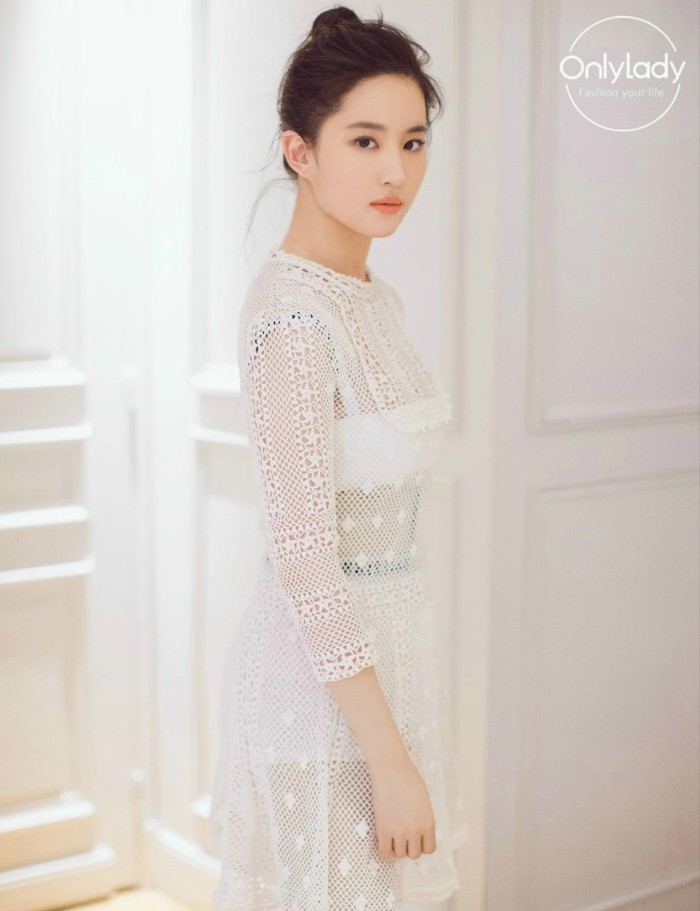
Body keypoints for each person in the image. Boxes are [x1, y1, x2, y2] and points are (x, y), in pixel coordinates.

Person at [209, 6, 468, 910]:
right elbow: (307, 564)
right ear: (300, 152)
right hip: (318, 699)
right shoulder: (293, 318)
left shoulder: (372, 298)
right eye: (365, 141)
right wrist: (388, 762)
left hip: (390, 671)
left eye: (413, 142)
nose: (396, 170)